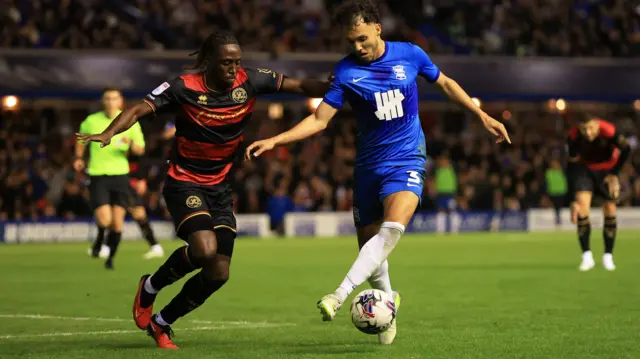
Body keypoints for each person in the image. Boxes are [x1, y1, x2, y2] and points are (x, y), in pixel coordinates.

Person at [245, 0, 510, 345]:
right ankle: (389, 307)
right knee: (371, 248)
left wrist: (481, 115)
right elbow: (319, 120)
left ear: (377, 29)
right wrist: (276, 140)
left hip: (407, 159)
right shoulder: (345, 72)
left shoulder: (410, 54)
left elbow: (445, 83)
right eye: (350, 42)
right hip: (369, 167)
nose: (357, 47)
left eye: (361, 39)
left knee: (392, 230)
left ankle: (338, 295)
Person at [77, 30, 330, 349]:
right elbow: (139, 109)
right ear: (209, 61)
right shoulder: (183, 86)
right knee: (205, 249)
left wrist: (335, 85)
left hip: (221, 186)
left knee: (219, 273)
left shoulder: (249, 80)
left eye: (237, 62)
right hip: (185, 181)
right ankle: (150, 287)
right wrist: (110, 132)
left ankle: (162, 323)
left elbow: (298, 86)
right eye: (226, 62)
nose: (232, 68)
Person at [75, 88, 153, 269]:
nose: (110, 102)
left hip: (120, 175)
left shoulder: (129, 120)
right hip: (98, 174)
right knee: (104, 219)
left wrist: (130, 143)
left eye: (114, 98)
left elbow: (140, 150)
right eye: (107, 98)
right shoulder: (91, 121)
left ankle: (110, 258)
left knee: (117, 222)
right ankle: (100, 238)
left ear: (120, 101)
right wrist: (78, 158)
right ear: (103, 101)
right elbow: (80, 140)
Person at [567, 114, 630, 271]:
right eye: (584, 129)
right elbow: (571, 162)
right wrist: (572, 198)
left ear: (597, 125)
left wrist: (615, 174)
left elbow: (627, 149)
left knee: (610, 210)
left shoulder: (609, 131)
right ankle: (587, 257)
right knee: (582, 209)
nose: (588, 132)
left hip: (607, 171)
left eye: (591, 128)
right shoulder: (573, 136)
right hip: (585, 170)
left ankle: (608, 256)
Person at [128, 154, 165, 259]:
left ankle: (155, 246)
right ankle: (104, 246)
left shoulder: (139, 158)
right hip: (118, 185)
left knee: (139, 214)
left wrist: (142, 181)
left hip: (130, 188)